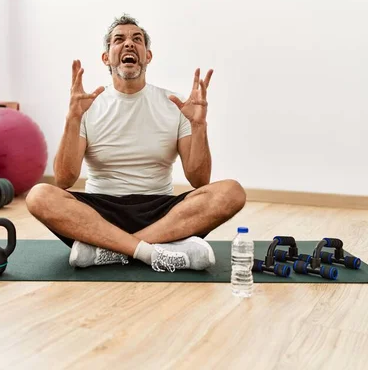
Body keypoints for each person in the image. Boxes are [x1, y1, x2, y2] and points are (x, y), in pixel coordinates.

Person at [26, 14, 246, 272]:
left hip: (161, 212)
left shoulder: (175, 104)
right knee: (39, 195)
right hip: (99, 213)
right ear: (106, 57)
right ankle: (152, 250)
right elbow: (64, 180)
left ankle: (109, 250)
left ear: (147, 56)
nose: (128, 44)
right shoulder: (88, 106)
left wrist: (199, 126)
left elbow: (199, 180)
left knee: (232, 191)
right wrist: (72, 118)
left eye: (137, 39)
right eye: (119, 39)